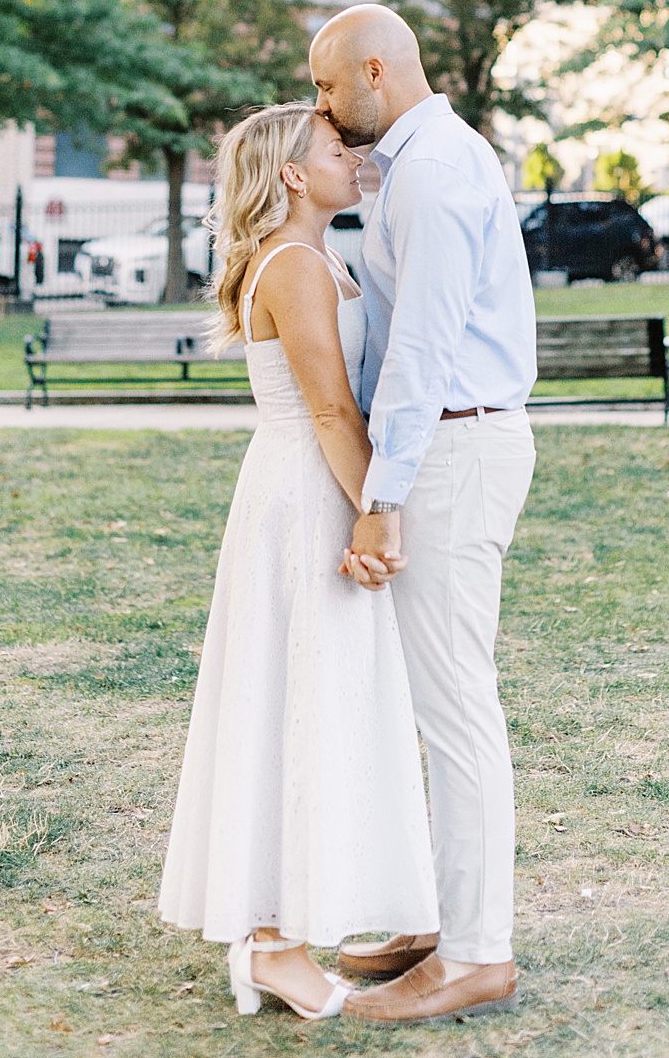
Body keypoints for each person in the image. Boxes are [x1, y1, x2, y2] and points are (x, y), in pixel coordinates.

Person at [157, 102, 438, 1021]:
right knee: (294, 699)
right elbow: (330, 414)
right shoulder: (295, 266)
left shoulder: (323, 257)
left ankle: (280, 934)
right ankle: (272, 945)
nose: (351, 157)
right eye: (333, 148)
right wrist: (375, 515)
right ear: (289, 174)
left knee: (317, 698)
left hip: (311, 485)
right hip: (306, 496)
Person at [310, 5, 538, 1026]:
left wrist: (382, 499)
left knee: (455, 707)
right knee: (437, 702)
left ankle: (479, 954)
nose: (320, 107)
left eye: (324, 89)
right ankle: (449, 920)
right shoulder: (410, 167)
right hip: (444, 444)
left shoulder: (436, 173)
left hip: (453, 446)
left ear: (373, 69)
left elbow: (425, 352)